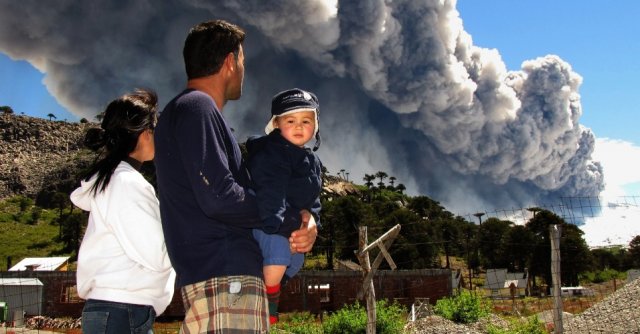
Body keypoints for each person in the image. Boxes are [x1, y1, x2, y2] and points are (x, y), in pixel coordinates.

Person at [153, 20, 318, 333]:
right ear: (229, 62)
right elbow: (221, 197)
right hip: (227, 280)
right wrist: (291, 221)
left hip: (220, 278)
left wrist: (306, 219)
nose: (243, 69)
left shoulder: (188, 111)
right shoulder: (196, 107)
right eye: (242, 60)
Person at [70, 89, 176, 334]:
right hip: (123, 310)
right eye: (154, 127)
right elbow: (158, 254)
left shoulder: (116, 181)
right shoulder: (126, 184)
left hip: (119, 310)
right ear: (143, 134)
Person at [246, 88, 323, 324]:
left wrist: (312, 220)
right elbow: (271, 191)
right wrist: (277, 226)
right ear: (276, 124)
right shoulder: (272, 152)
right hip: (269, 221)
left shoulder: (312, 161)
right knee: (279, 254)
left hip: (286, 224)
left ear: (315, 126)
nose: (299, 126)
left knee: (297, 259)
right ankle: (268, 303)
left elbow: (314, 200)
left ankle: (271, 285)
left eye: (306, 121)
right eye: (291, 120)